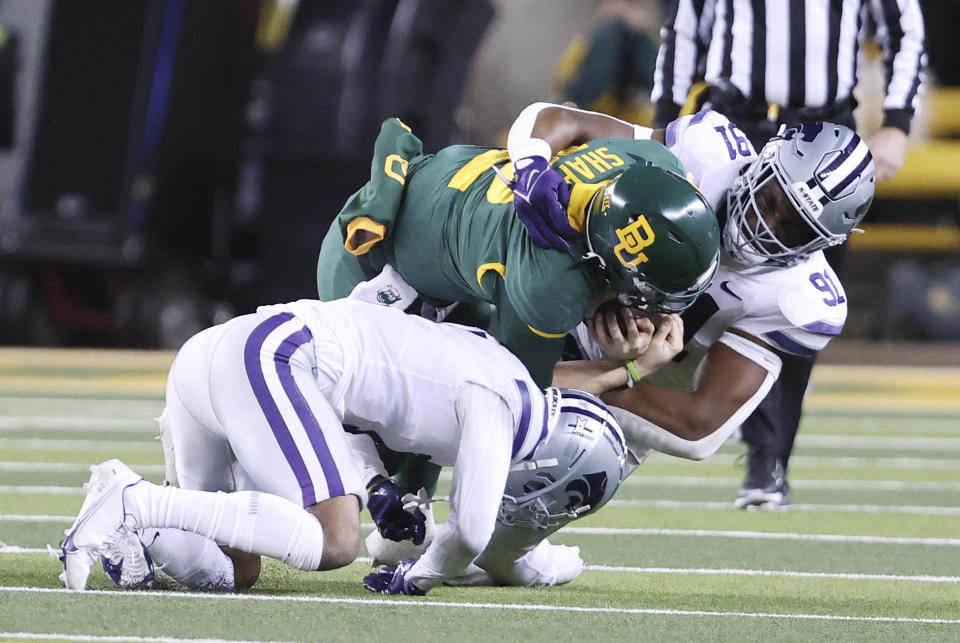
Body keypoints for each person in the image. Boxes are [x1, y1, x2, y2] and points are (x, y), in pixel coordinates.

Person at [56, 296, 682, 594]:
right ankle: (134, 502)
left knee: (233, 570)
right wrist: (421, 578)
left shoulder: (508, 376)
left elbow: (353, 414)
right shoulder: (501, 407)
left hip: (223, 354)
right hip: (271, 358)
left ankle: (133, 524)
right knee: (334, 542)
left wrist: (378, 486)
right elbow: (471, 529)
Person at [315, 108, 720, 499]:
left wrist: (532, 162)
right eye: (651, 297)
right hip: (373, 272)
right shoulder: (550, 285)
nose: (655, 310)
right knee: (413, 418)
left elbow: (554, 115)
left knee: (418, 469)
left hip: (440, 223)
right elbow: (515, 392)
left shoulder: (649, 160)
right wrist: (628, 368)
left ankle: (406, 510)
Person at [651, 0, 924, 506]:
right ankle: (619, 378)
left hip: (821, 139)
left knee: (791, 305)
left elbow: (905, 27)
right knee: (682, 273)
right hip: (736, 121)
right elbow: (684, 29)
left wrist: (898, 121)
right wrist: (665, 120)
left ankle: (770, 456)